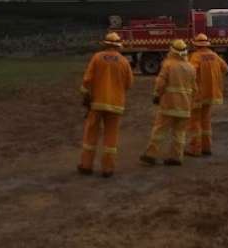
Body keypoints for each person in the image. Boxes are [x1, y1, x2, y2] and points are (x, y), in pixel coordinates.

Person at [77, 32, 134, 178]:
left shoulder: (97, 58)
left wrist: (85, 96)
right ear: (118, 45)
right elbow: (129, 84)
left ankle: (86, 166)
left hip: (96, 103)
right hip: (115, 105)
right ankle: (107, 169)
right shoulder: (124, 61)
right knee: (111, 137)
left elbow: (87, 80)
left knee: (91, 134)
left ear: (106, 44)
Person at [140, 39, 197, 166]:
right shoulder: (191, 68)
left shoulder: (168, 64)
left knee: (159, 130)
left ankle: (151, 154)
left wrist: (156, 95)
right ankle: (176, 157)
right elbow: (194, 89)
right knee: (179, 132)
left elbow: (160, 83)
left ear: (172, 50)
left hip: (168, 105)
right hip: (185, 107)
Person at [186, 34, 228, 157]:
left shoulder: (196, 56)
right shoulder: (215, 56)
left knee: (195, 122)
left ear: (196, 45)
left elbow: (191, 72)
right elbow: (225, 68)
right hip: (212, 94)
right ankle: (207, 147)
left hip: (198, 94)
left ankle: (195, 148)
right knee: (206, 120)